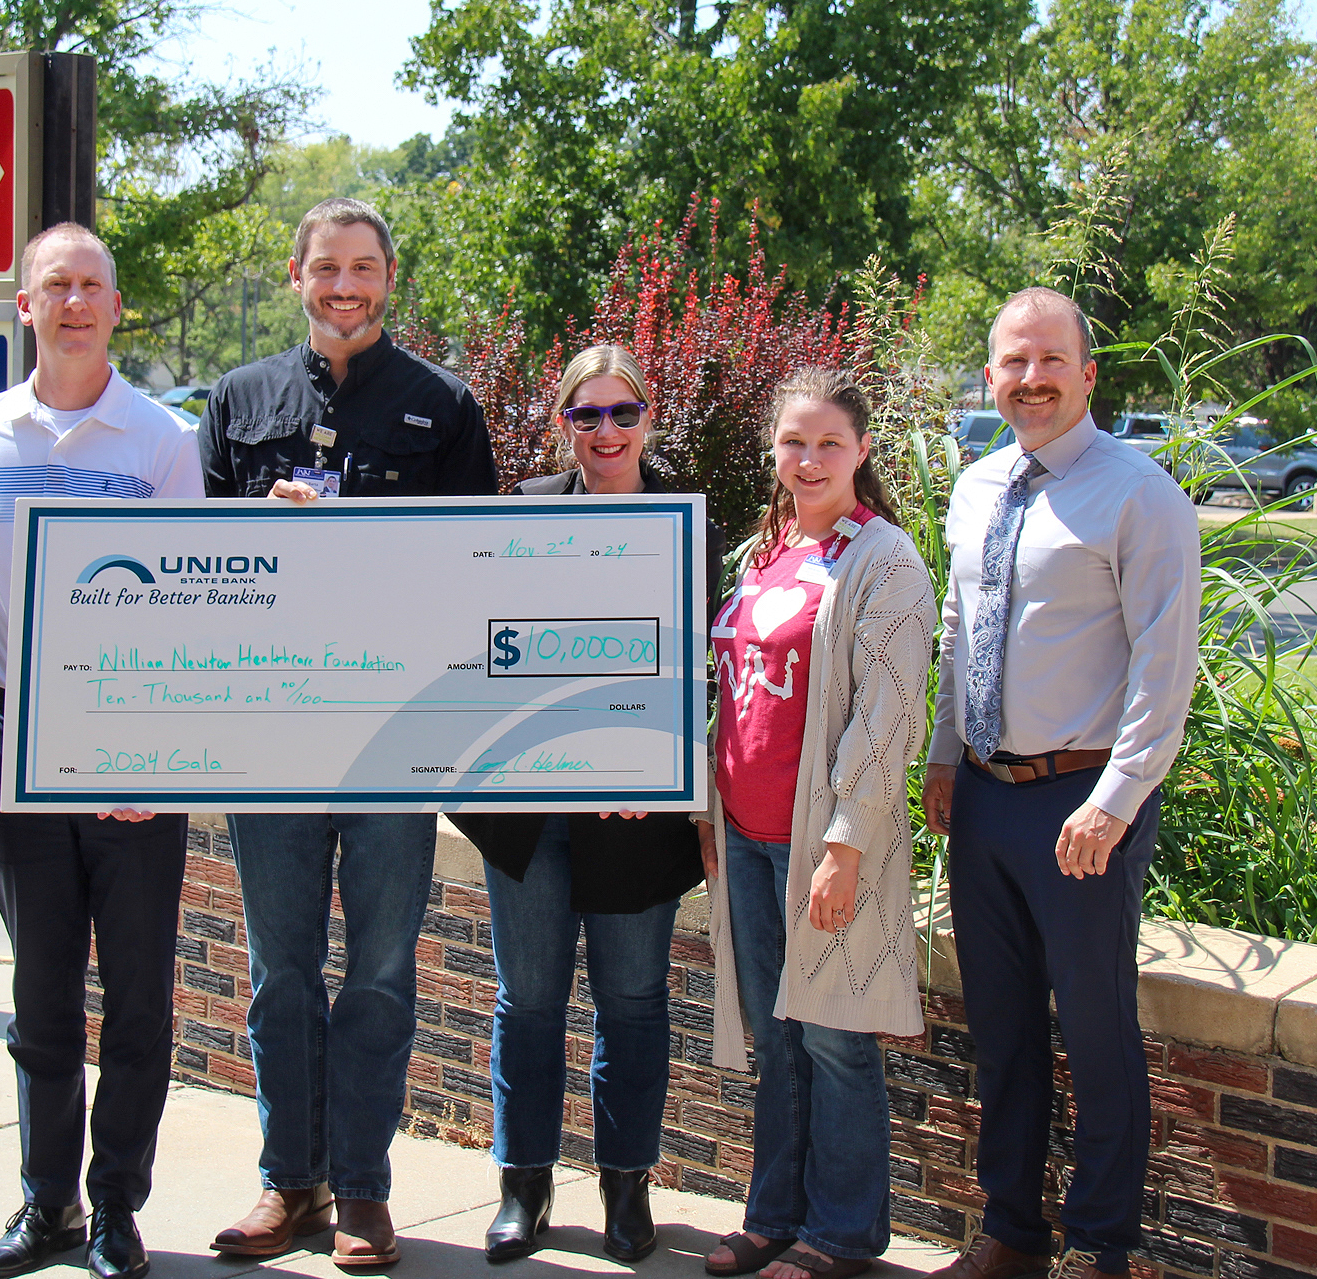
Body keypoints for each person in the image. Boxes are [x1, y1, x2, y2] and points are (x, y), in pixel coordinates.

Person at [198, 197, 498, 1268]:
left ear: (387, 277)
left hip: (390, 743)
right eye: (326, 267)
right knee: (280, 974)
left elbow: (479, 574)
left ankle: (363, 1192)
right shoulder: (235, 403)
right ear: (296, 275)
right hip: (272, 741)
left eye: (363, 268)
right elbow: (194, 575)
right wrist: (251, 525)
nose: (344, 285)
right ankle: (291, 1186)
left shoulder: (443, 406)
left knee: (377, 973)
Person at [0, 222, 206, 1279]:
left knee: (137, 994)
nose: (76, 302)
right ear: (25, 305)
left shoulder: (159, 440)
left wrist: (164, 755)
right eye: (56, 285)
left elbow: (190, 603)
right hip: (17, 739)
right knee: (40, 989)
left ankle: (114, 1209)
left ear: (116, 305)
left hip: (132, 749)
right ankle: (43, 1203)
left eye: (92, 285)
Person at [921, 288, 1198, 1279]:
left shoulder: (1137, 495)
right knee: (999, 1026)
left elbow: (1164, 668)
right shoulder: (976, 485)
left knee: (1092, 1027)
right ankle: (1010, 1230)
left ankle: (1099, 1246)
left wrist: (1115, 801)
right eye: (1010, 363)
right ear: (989, 375)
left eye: (1049, 361)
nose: (1028, 380)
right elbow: (959, 633)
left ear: (1088, 374)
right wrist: (943, 757)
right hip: (986, 798)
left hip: (1082, 803)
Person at [445, 344, 714, 1265]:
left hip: (635, 819)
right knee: (528, 1000)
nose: (606, 431)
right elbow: (486, 651)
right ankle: (524, 1187)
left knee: (634, 1002)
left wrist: (658, 767)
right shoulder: (519, 513)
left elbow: (693, 671)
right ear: (561, 424)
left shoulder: (688, 523)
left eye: (622, 413)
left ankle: (626, 1187)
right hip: (528, 812)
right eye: (585, 416)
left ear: (649, 418)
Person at [700, 368, 937, 1279]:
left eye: (828, 443)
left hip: (828, 845)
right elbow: (736, 697)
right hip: (749, 840)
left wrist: (844, 846)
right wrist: (711, 815)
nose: (808, 460)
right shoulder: (767, 550)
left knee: (836, 1041)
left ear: (862, 449)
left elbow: (887, 724)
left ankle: (840, 1236)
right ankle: (773, 1215)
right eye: (793, 442)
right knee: (779, 1034)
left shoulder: (885, 561)